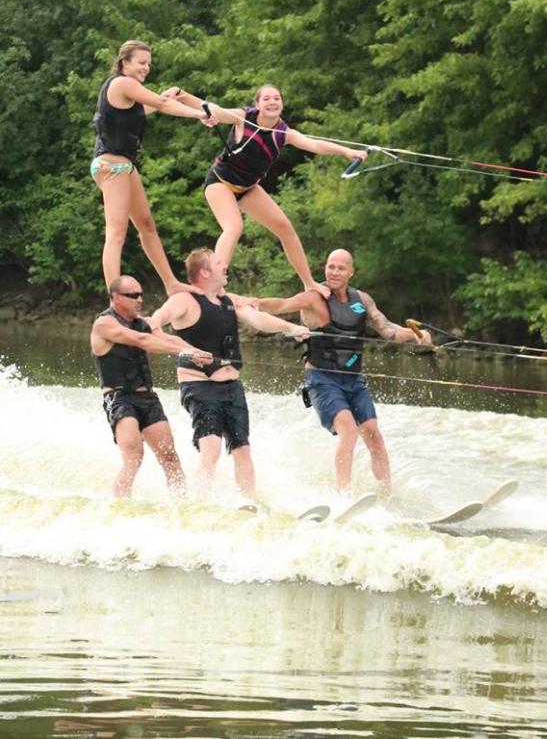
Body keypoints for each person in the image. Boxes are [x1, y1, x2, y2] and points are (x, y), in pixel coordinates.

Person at [257, 249, 432, 495]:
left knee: (374, 434)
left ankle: (387, 494)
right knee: (349, 431)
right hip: (321, 379)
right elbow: (282, 304)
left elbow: (388, 330)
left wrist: (417, 335)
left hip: (353, 380)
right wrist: (252, 303)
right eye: (331, 266)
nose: (335, 272)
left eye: (341, 268)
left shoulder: (362, 299)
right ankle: (343, 496)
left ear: (351, 272)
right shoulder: (314, 298)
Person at [174, 83, 366, 296]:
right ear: (257, 104)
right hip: (220, 182)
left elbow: (315, 144)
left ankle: (309, 283)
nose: (272, 102)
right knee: (234, 226)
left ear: (282, 103)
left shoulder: (284, 133)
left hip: (247, 188)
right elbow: (213, 109)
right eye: (266, 99)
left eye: (276, 98)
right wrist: (183, 95)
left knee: (285, 228)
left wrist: (346, 151)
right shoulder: (242, 117)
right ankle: (215, 285)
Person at [148, 246, 308, 501]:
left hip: (232, 388)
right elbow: (158, 319)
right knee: (211, 448)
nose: (225, 266)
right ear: (204, 272)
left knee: (242, 450)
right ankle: (200, 503)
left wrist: (290, 327)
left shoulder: (229, 300)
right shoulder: (184, 300)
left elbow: (258, 319)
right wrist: (160, 329)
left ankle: (249, 502)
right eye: (218, 263)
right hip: (200, 386)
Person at [91, 40, 210, 293]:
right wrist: (199, 114)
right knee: (117, 233)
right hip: (111, 166)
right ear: (125, 63)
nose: (147, 68)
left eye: (149, 64)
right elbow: (162, 105)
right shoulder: (122, 83)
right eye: (142, 63)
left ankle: (171, 284)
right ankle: (114, 296)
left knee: (146, 225)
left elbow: (147, 108)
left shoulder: (128, 92)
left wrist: (166, 96)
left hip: (125, 166)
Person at [90, 274, 213, 498]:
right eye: (133, 295)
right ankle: (120, 504)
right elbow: (142, 341)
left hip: (147, 398)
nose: (139, 299)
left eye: (141, 294)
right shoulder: (104, 324)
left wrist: (198, 353)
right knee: (134, 457)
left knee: (170, 457)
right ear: (116, 297)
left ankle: (181, 503)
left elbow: (169, 340)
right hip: (119, 399)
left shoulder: (143, 323)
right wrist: (184, 353)